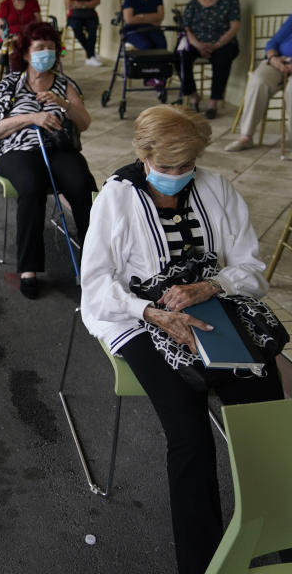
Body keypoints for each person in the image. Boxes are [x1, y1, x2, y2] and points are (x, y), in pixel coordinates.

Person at [81, 105, 288, 574]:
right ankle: (204, 563)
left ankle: (278, 528)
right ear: (144, 153)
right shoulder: (116, 198)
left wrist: (211, 286)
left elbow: (251, 269)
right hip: (138, 316)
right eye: (168, 166)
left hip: (211, 307)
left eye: (187, 164)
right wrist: (150, 311)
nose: (178, 175)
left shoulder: (216, 188)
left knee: (262, 410)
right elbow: (95, 285)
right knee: (189, 434)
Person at [0, 22, 95, 299]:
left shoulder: (65, 84)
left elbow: (84, 124)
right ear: (27, 53)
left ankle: (94, 261)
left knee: (80, 182)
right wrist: (32, 118)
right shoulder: (9, 84)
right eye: (40, 47)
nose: (47, 52)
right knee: (31, 186)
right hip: (15, 150)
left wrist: (64, 103)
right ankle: (29, 268)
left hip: (58, 148)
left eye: (51, 47)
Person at [181, 0, 241, 119]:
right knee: (180, 55)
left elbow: (234, 26)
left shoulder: (231, 0)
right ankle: (193, 95)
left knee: (222, 59)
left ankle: (213, 102)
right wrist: (198, 45)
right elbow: (186, 28)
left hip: (223, 43)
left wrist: (217, 45)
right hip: (196, 42)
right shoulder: (193, 4)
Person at [226, 14, 292, 152]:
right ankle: (246, 136)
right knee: (258, 80)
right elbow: (273, 42)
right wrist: (274, 59)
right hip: (279, 61)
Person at [64, 0, 102, 66]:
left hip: (90, 14)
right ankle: (91, 54)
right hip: (74, 16)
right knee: (76, 29)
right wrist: (88, 3)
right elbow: (69, 3)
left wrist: (80, 4)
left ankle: (90, 56)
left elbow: (97, 0)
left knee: (93, 29)